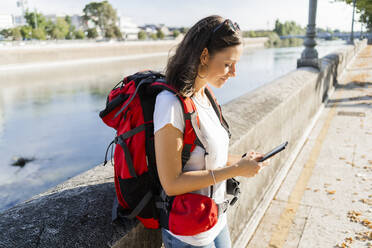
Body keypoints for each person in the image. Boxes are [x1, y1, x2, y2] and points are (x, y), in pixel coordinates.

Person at [153, 15, 270, 248]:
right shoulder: (170, 104)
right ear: (204, 56)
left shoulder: (206, 95)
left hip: (216, 218)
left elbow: (207, 159)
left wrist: (244, 161)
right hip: (190, 234)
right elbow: (172, 183)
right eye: (228, 64)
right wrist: (235, 170)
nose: (234, 72)